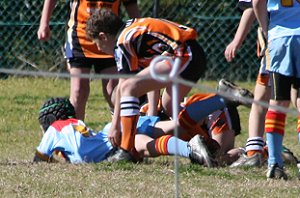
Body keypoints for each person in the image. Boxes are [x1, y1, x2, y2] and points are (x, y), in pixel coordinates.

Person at [34, 96, 242, 166]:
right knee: (174, 125)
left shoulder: (54, 130)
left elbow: (39, 161)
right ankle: (221, 99)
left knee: (141, 146)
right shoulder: (74, 124)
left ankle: (190, 150)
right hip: (110, 132)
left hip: (111, 145)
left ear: (49, 120)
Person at [37, 0, 140, 121]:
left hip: (109, 38)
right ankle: (76, 134)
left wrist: (138, 29)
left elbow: (130, 4)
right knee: (79, 91)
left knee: (112, 90)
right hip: (79, 37)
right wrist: (44, 22)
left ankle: (119, 129)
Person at [224, 0, 298, 168]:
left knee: (265, 99)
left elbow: (253, 4)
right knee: (295, 96)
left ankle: (256, 152)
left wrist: (239, 40)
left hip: (278, 39)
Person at [253, 0, 300, 180]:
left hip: (279, 37)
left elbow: (257, 2)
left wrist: (265, 29)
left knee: (278, 102)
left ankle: (274, 163)